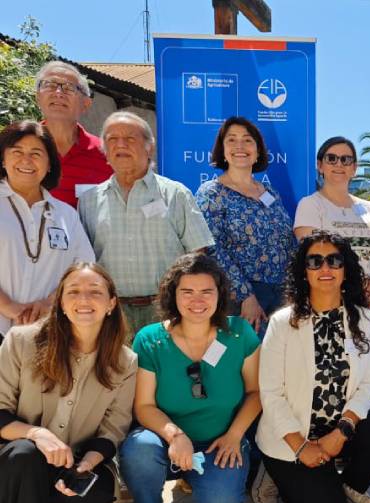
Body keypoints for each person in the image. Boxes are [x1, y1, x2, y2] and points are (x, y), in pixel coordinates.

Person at [0, 263, 135, 503]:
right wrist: (36, 434)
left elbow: (113, 427)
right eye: (73, 291)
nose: (83, 300)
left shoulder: (125, 361)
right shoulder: (20, 341)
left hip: (78, 459)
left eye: (95, 292)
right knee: (23, 455)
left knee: (91, 491)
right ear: (60, 301)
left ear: (112, 303)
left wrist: (87, 463)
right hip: (21, 458)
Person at [119, 253, 260, 503]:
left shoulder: (239, 333)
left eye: (207, 291)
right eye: (188, 292)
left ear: (220, 294)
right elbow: (143, 406)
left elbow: (255, 393)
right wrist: (175, 435)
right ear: (173, 295)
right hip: (163, 439)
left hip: (219, 440)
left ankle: (200, 480)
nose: (198, 300)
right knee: (138, 449)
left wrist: (235, 435)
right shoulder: (151, 339)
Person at [256, 232, 370, 503]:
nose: (325, 268)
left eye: (334, 260)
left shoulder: (365, 320)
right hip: (292, 437)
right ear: (303, 272)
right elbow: (270, 394)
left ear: (346, 269)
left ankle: (349, 486)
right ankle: (275, 473)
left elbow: (369, 385)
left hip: (338, 431)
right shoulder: (282, 322)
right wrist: (301, 447)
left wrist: (341, 433)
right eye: (315, 262)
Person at [79, 112, 214, 336]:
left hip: (165, 309)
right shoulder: (89, 200)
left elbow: (198, 254)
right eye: (112, 139)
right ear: (105, 150)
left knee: (164, 371)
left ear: (149, 147)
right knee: (117, 371)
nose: (121, 144)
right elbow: (85, 260)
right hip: (112, 312)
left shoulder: (175, 194)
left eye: (130, 138)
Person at [195, 116, 295, 335]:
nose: (240, 146)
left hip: (280, 297)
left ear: (258, 151)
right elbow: (212, 248)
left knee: (275, 365)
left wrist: (292, 293)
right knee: (242, 365)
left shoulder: (271, 194)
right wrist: (245, 295)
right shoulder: (211, 193)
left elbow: (288, 244)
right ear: (222, 150)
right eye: (231, 140)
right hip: (239, 299)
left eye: (248, 140)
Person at [0, 120, 94, 339]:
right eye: (17, 151)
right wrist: (8, 306)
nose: (26, 160)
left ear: (50, 163)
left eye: (36, 153)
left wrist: (48, 304)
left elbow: (83, 269)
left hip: (49, 333)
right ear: (3, 159)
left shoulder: (66, 215)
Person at [293, 137, 370, 313]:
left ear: (354, 168)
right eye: (331, 158)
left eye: (346, 159)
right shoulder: (310, 205)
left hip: (368, 303)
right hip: (327, 301)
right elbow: (313, 258)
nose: (339, 164)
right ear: (320, 166)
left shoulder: (368, 207)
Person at [33, 61, 112, 208]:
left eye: (69, 87)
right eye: (50, 85)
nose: (58, 93)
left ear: (86, 104)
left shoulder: (108, 154)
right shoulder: (16, 149)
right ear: (38, 97)